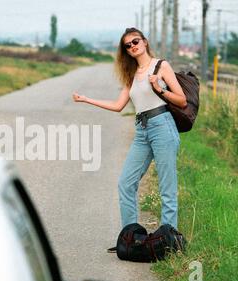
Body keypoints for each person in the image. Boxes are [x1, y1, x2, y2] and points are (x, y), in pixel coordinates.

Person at [72, 27, 187, 252]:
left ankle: (169, 242)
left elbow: (182, 100)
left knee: (167, 188)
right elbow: (118, 106)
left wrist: (158, 88)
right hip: (142, 130)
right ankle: (130, 238)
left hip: (162, 126)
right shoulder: (132, 74)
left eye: (135, 41)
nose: (133, 46)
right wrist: (86, 99)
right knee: (126, 183)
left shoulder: (161, 66)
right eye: (128, 45)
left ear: (144, 42)